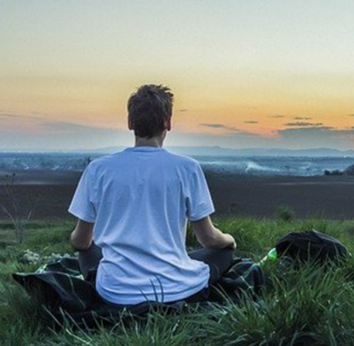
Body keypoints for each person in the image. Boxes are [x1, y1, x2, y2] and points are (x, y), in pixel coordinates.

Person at [67, 84, 237, 306]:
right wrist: (230, 240)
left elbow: (80, 242)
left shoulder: (98, 169)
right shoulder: (187, 168)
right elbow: (208, 239)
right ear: (168, 122)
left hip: (115, 292)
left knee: (87, 250)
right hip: (176, 289)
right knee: (223, 253)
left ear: (130, 123)